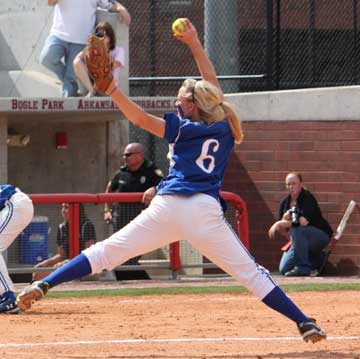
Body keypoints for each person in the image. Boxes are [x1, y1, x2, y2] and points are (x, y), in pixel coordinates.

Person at [17, 19, 326, 343]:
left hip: (167, 206)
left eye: (181, 99)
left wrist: (111, 90)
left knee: (106, 253)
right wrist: (194, 44)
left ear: (192, 106)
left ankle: (45, 283)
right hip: (204, 212)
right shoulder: (223, 127)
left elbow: (137, 118)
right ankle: (303, 321)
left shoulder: (183, 128)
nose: (176, 102)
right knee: (252, 274)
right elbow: (213, 88)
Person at [41, 0, 130, 97]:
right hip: (59, 35)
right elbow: (50, 3)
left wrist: (121, 8)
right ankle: (70, 83)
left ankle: (70, 91)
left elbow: (109, 4)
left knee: (69, 87)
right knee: (46, 58)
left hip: (81, 40)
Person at [104, 142, 163, 279]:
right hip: (121, 219)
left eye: (128, 154)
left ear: (140, 156)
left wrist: (154, 189)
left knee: (131, 255)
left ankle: (142, 282)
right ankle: (135, 283)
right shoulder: (121, 173)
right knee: (120, 254)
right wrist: (106, 211)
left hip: (142, 219)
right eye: (124, 155)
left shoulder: (152, 171)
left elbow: (164, 186)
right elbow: (109, 191)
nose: (125, 157)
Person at [269, 172, 333, 277]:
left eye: (294, 183)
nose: (291, 187)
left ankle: (303, 268)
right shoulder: (285, 203)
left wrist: (280, 223)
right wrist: (281, 224)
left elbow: (303, 222)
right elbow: (283, 232)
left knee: (297, 229)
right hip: (298, 240)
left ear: (301, 184)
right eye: (288, 184)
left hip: (320, 235)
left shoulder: (307, 198)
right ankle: (319, 260)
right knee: (284, 268)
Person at [32, 203, 96, 282]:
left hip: (85, 265)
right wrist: (46, 263)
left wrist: (69, 262)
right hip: (67, 263)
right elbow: (61, 255)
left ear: (77, 210)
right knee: (38, 272)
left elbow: (89, 253)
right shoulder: (62, 227)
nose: (63, 211)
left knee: (64, 267)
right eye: (62, 207)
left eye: (66, 208)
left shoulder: (86, 225)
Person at [0, 185, 33, 314]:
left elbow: (7, 191)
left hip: (17, 203)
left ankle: (8, 297)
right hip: (19, 206)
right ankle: (5, 295)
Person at [74, 21, 125, 97]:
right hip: (94, 86)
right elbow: (77, 60)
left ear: (110, 37)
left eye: (104, 35)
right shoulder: (93, 50)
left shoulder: (119, 50)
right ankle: (90, 91)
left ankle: (91, 92)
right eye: (99, 36)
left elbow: (110, 67)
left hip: (108, 88)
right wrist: (89, 47)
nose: (102, 38)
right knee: (77, 62)